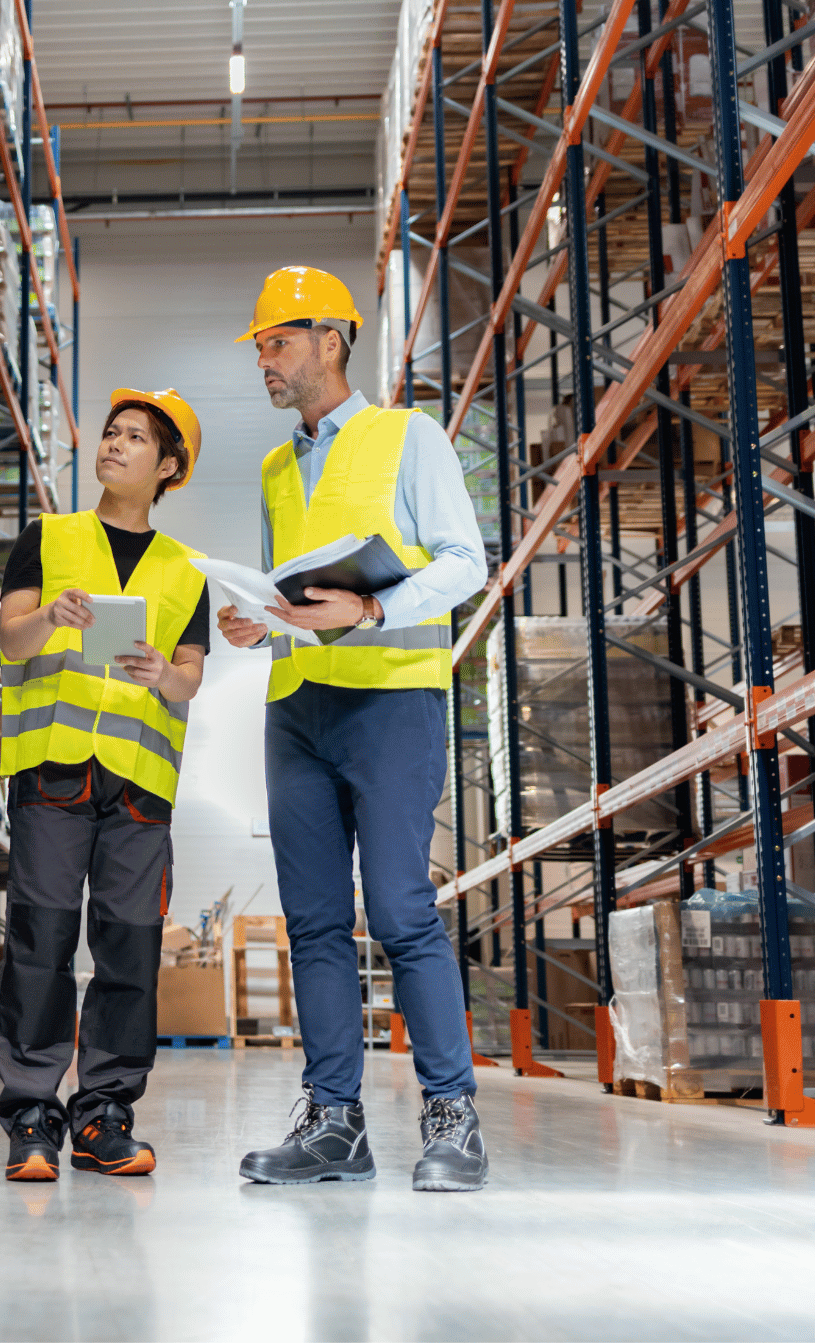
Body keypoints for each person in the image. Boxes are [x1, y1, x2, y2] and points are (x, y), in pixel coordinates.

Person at [216, 266, 491, 1191]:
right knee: (316, 923)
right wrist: (261, 617)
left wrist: (373, 615)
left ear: (332, 340)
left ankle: (453, 1117)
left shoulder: (409, 439)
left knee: (403, 910)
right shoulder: (271, 467)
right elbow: (291, 583)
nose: (266, 358)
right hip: (298, 708)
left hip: (391, 699)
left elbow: (465, 562)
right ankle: (334, 1122)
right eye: (260, 344)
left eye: (279, 340)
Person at [0, 389, 211, 1182]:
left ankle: (105, 1113)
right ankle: (31, 1117)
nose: (114, 445)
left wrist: (165, 674)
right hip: (53, 772)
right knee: (41, 941)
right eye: (111, 433)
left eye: (135, 438)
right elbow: (12, 642)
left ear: (168, 467)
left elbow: (189, 679)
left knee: (129, 949)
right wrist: (51, 614)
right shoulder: (47, 538)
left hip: (140, 790)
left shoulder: (187, 573)